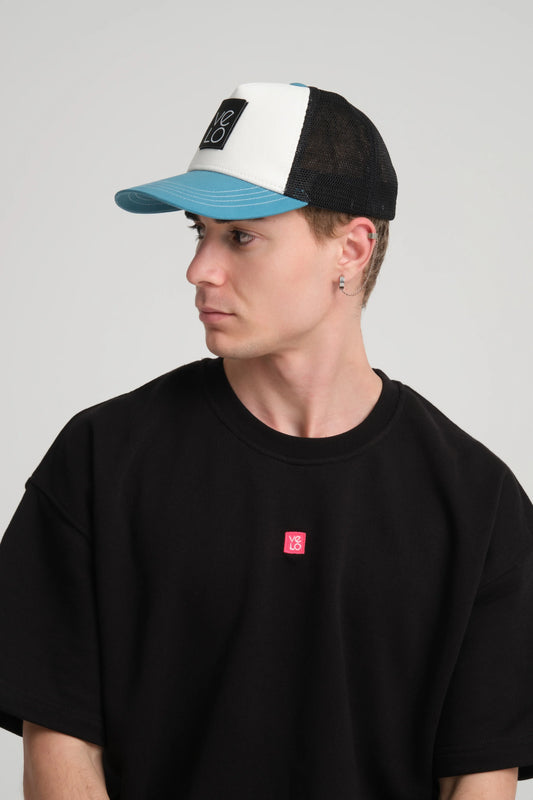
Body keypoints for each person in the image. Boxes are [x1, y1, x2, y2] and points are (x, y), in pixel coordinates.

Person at [0, 82, 531, 800]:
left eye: (240, 237)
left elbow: (480, 774)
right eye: (199, 232)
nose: (199, 270)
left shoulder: (476, 501)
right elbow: (58, 741)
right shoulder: (102, 459)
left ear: (351, 248)